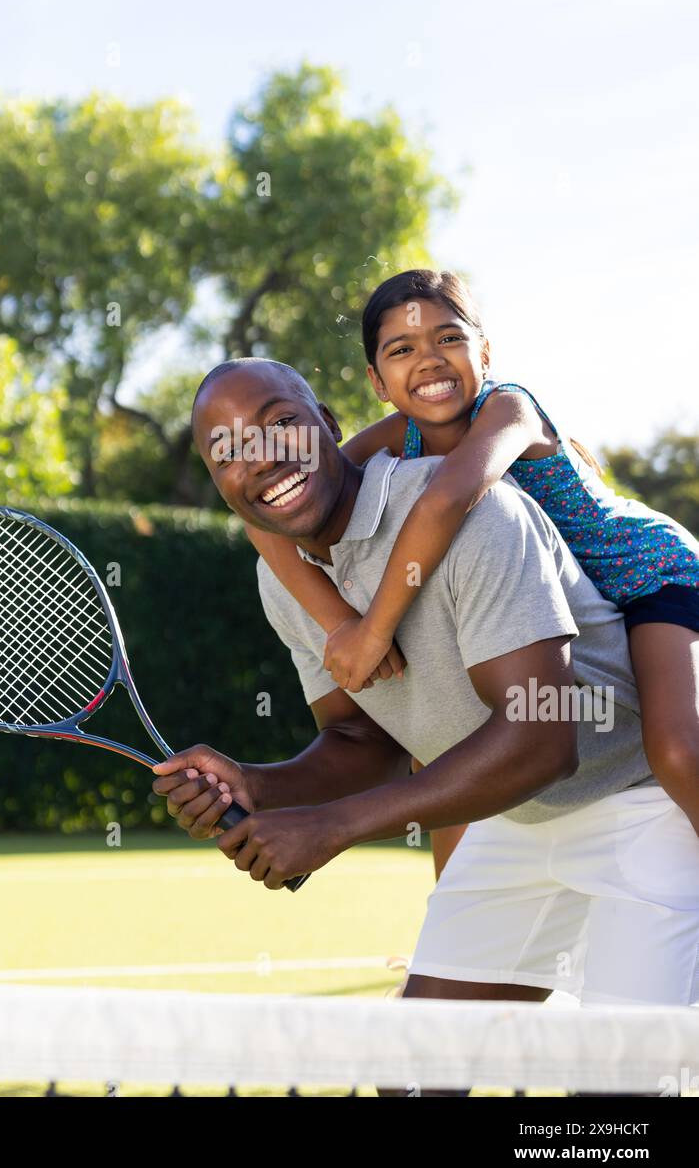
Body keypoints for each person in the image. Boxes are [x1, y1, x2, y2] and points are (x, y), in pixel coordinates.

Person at [152, 356, 699, 1094]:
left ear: (329, 427)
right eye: (227, 449)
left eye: (280, 423)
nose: (261, 456)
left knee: (610, 1110)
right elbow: (362, 742)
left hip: (636, 803)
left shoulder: (479, 517)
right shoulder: (282, 580)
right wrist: (258, 785)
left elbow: (540, 740)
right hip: (512, 821)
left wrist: (333, 826)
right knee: (410, 1075)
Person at [243, 270, 699, 843]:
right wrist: (340, 623)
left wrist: (374, 631)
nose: (429, 360)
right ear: (377, 380)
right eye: (402, 349)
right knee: (434, 761)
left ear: (484, 351)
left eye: (449, 339)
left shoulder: (510, 409)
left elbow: (448, 498)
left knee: (678, 750)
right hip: (569, 609)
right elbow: (268, 520)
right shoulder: (394, 435)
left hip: (647, 578)